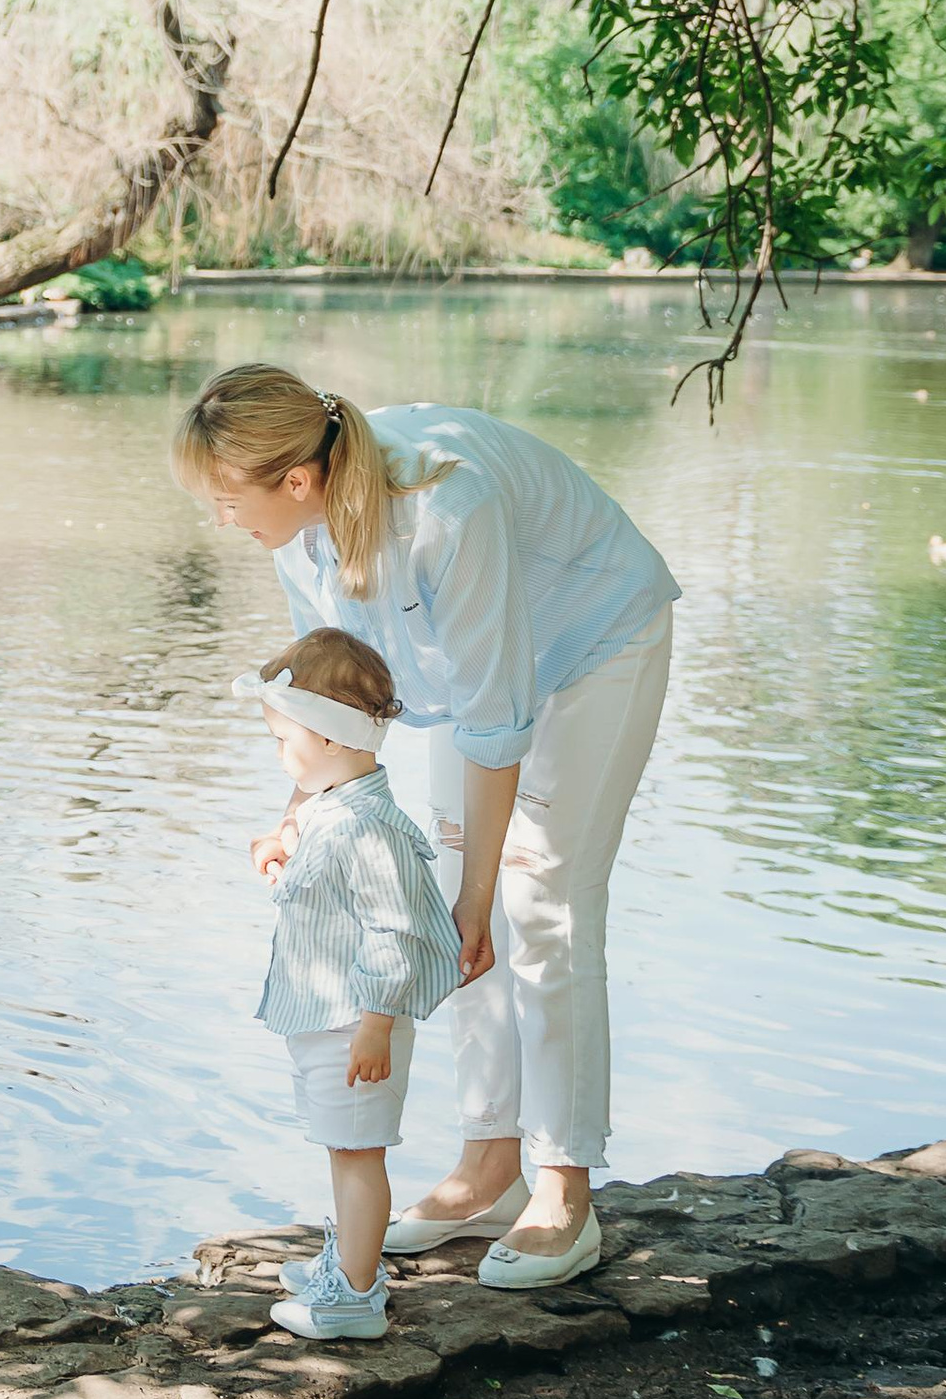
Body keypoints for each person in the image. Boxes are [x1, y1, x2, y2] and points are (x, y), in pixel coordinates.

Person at [178, 362, 679, 1286]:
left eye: (224, 497)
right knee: (450, 916)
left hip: (595, 642)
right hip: (484, 680)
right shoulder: (298, 537)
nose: (219, 518)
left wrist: (483, 890)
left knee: (542, 901)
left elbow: (497, 717)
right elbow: (327, 700)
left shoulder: (449, 506)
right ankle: (488, 1165)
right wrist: (297, 815)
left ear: (295, 477)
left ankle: (564, 1189)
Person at [239, 629, 464, 1341]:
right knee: (342, 1147)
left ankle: (356, 1296)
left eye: (284, 740)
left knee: (359, 1152)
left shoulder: (371, 829)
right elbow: (315, 870)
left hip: (356, 1021)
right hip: (327, 1014)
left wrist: (376, 1023)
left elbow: (392, 931)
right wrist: (280, 845)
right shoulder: (330, 805)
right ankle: (349, 1256)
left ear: (331, 738)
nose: (279, 755)